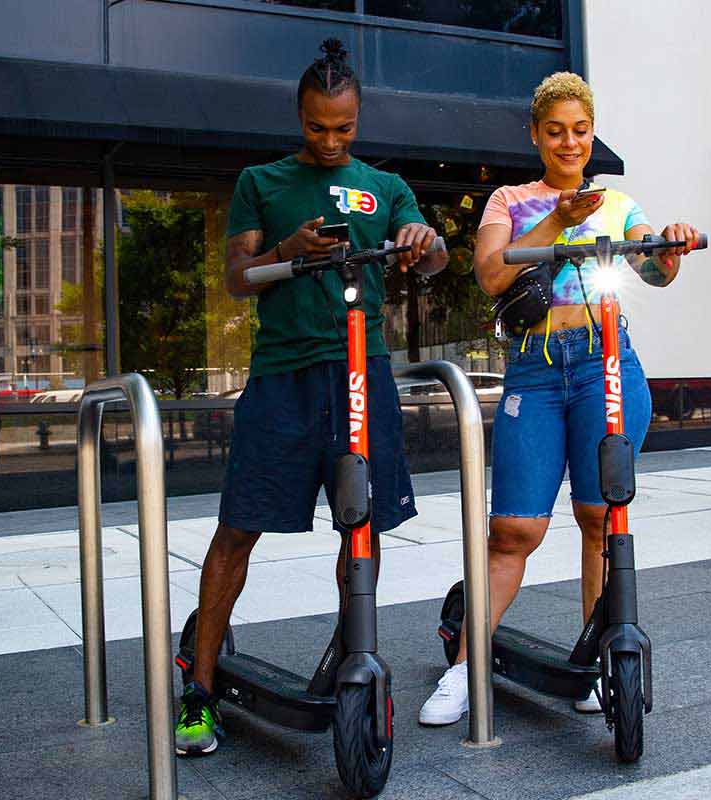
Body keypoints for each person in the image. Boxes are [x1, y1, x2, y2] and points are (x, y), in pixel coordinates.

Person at [174, 38, 448, 757]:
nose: (331, 140)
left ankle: (348, 664)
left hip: (363, 371)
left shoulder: (385, 188)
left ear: (359, 118)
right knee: (238, 529)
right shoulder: (260, 181)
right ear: (300, 116)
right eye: (318, 126)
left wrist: (423, 235)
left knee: (364, 527)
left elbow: (436, 259)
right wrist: (287, 252)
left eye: (344, 127)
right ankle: (198, 693)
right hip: (282, 378)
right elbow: (238, 280)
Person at [419, 72, 700, 725]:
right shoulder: (510, 200)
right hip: (536, 369)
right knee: (515, 530)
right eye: (556, 131)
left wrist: (673, 245)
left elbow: (654, 269)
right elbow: (492, 273)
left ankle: (598, 661)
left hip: (606, 362)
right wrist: (556, 220)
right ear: (536, 135)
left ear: (591, 131)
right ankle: (463, 669)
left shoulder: (617, 203)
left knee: (603, 520)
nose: (569, 142)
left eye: (580, 130)